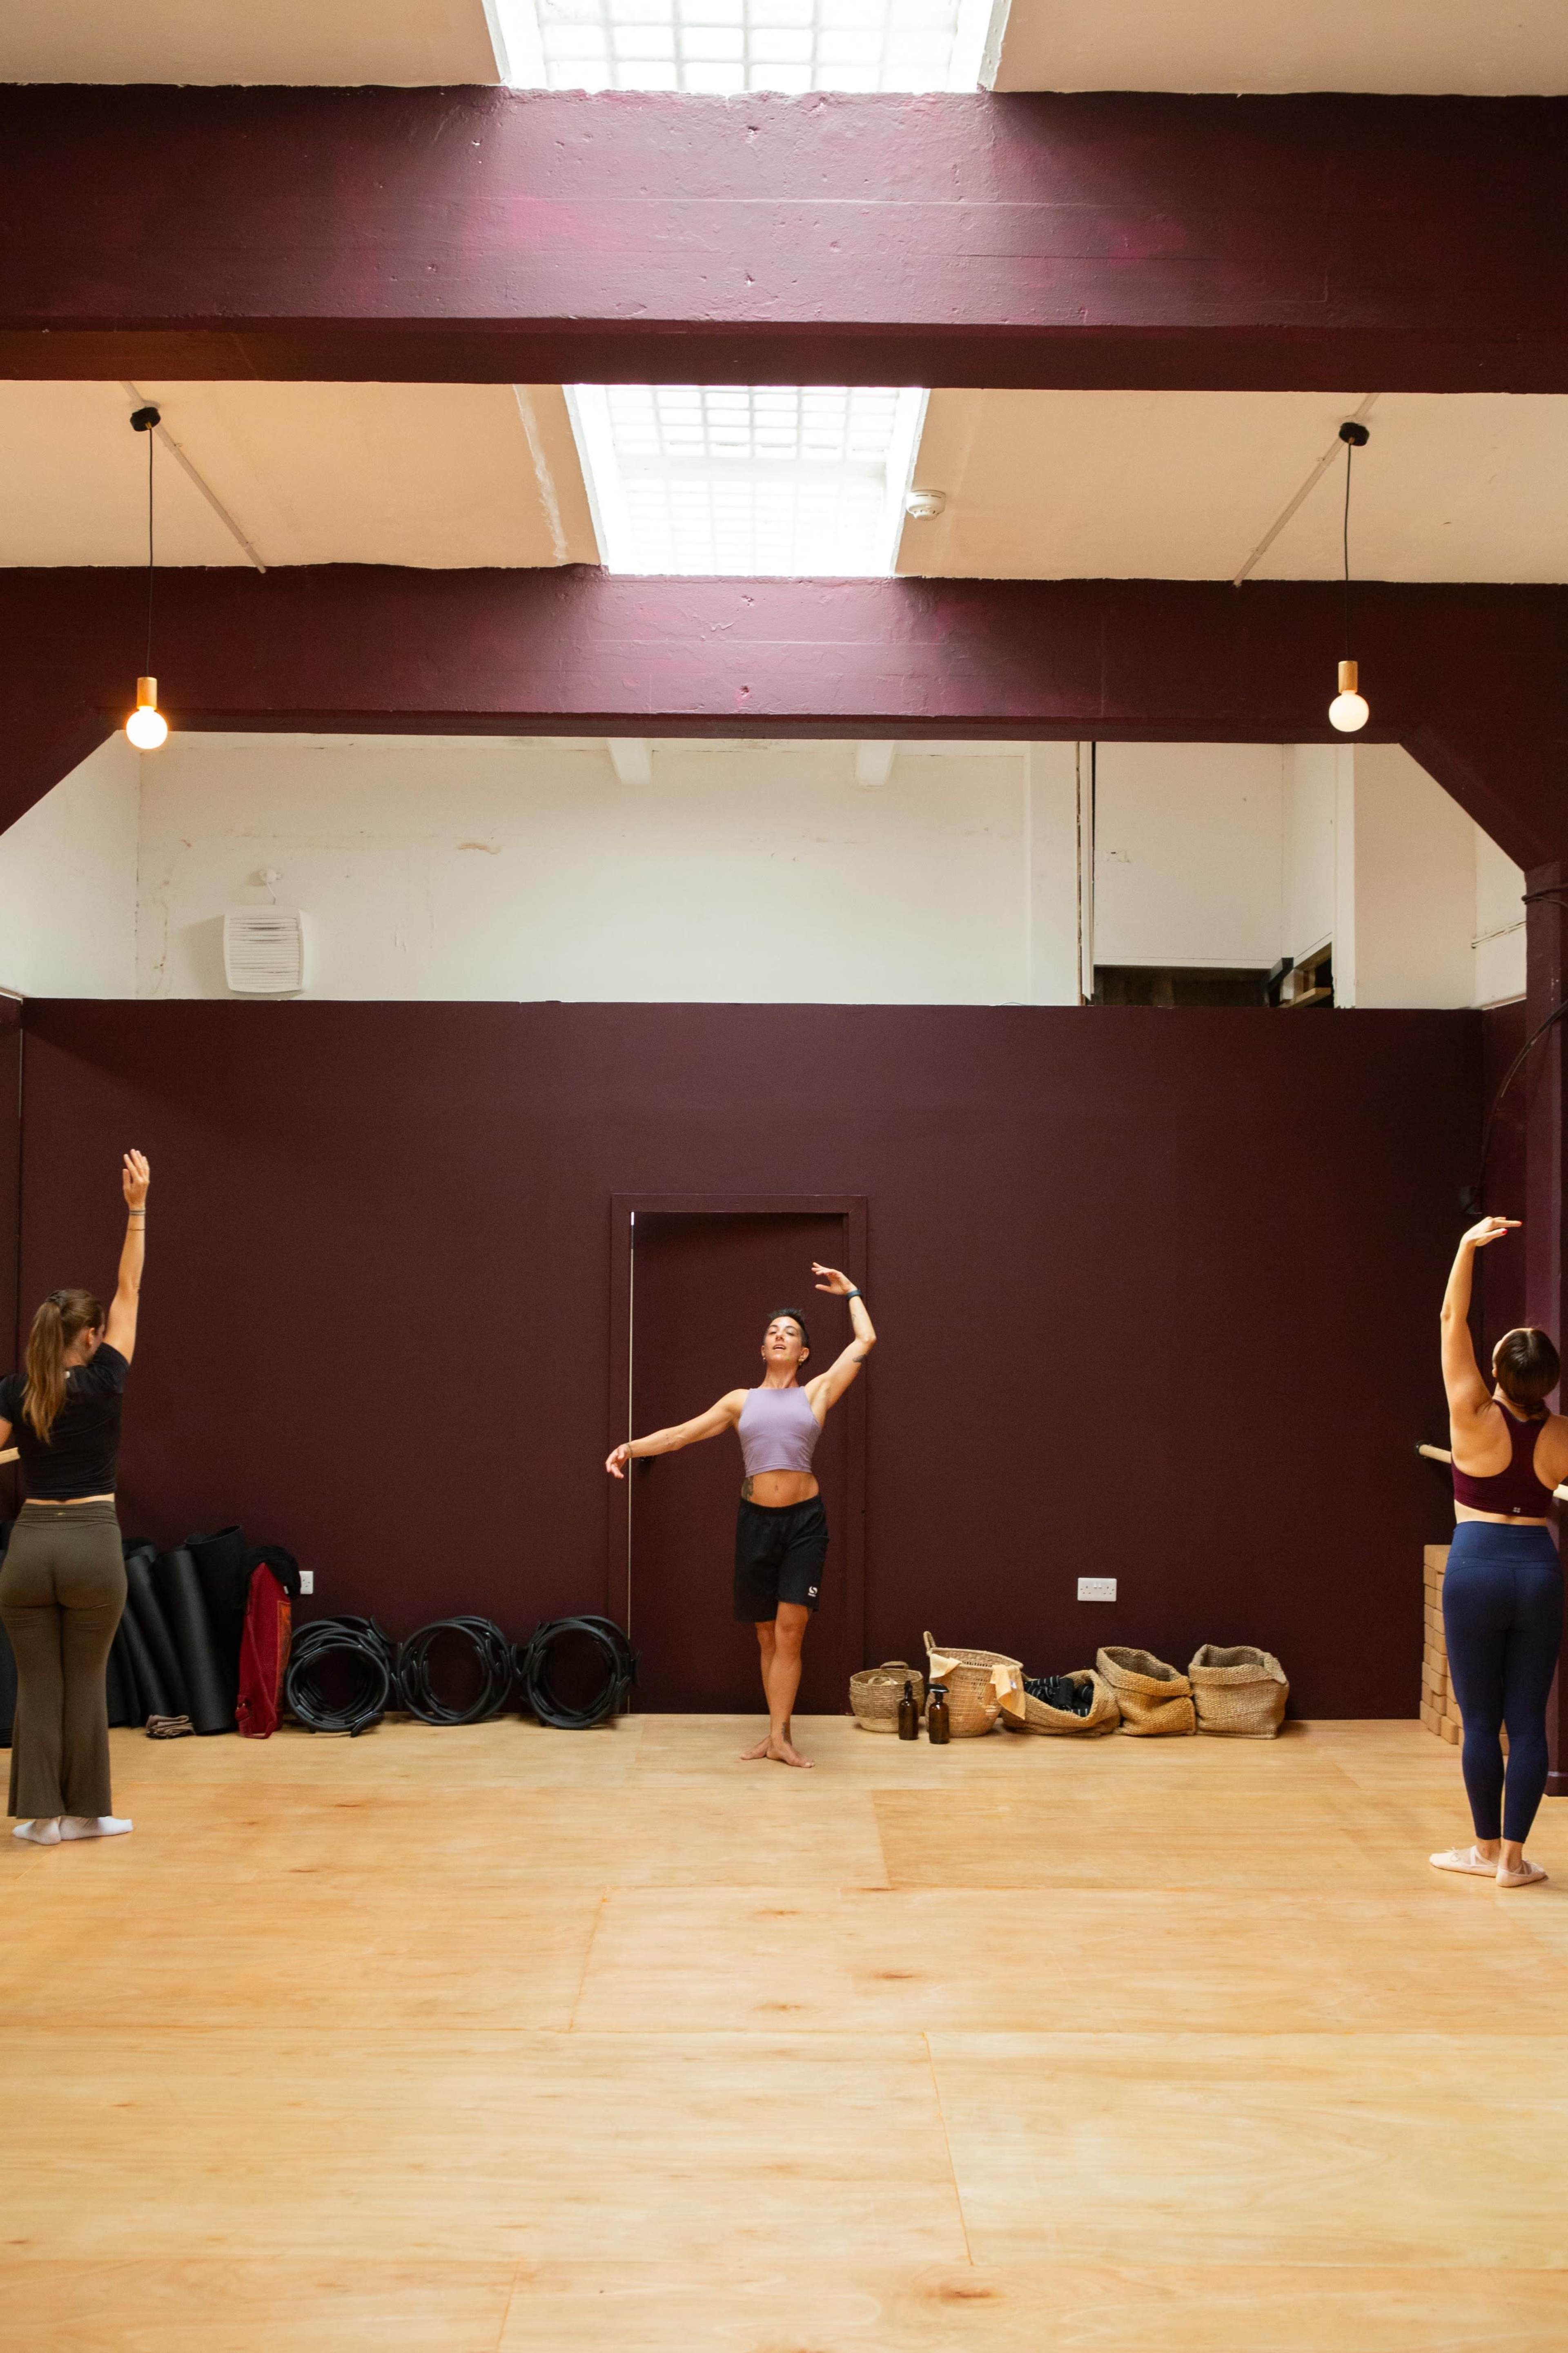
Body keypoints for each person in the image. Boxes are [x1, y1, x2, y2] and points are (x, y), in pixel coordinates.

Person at [606, 1263, 875, 1768]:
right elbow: (682, 1434)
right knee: (766, 1634)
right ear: (762, 1349)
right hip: (756, 1522)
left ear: (804, 1353)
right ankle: (779, 1733)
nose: (780, 1336)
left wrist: (851, 1291)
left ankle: (779, 1737)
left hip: (804, 1524)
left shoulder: (816, 1392)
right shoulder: (739, 1401)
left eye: (790, 1333)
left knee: (792, 1630)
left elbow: (865, 1339)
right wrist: (630, 1447)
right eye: (773, 1332)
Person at [0, 1151, 150, 1846]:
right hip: (92, 1544)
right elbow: (129, 1290)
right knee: (86, 1680)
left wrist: (23, 1447)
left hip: (30, 1547)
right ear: (90, 1338)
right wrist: (136, 1209)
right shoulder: (109, 1378)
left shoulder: (16, 1391)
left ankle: (42, 1820)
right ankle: (91, 1813)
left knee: (38, 1685)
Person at [1430, 1214, 1564, 1889]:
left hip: (1477, 1565)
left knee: (1482, 1719)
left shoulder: (1471, 1411)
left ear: (1497, 1369)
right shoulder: (1562, 1433)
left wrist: (1465, 1247)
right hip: (1539, 1570)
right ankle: (1516, 1860)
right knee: (1529, 1720)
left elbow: (1454, 1315)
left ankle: (1485, 1851)